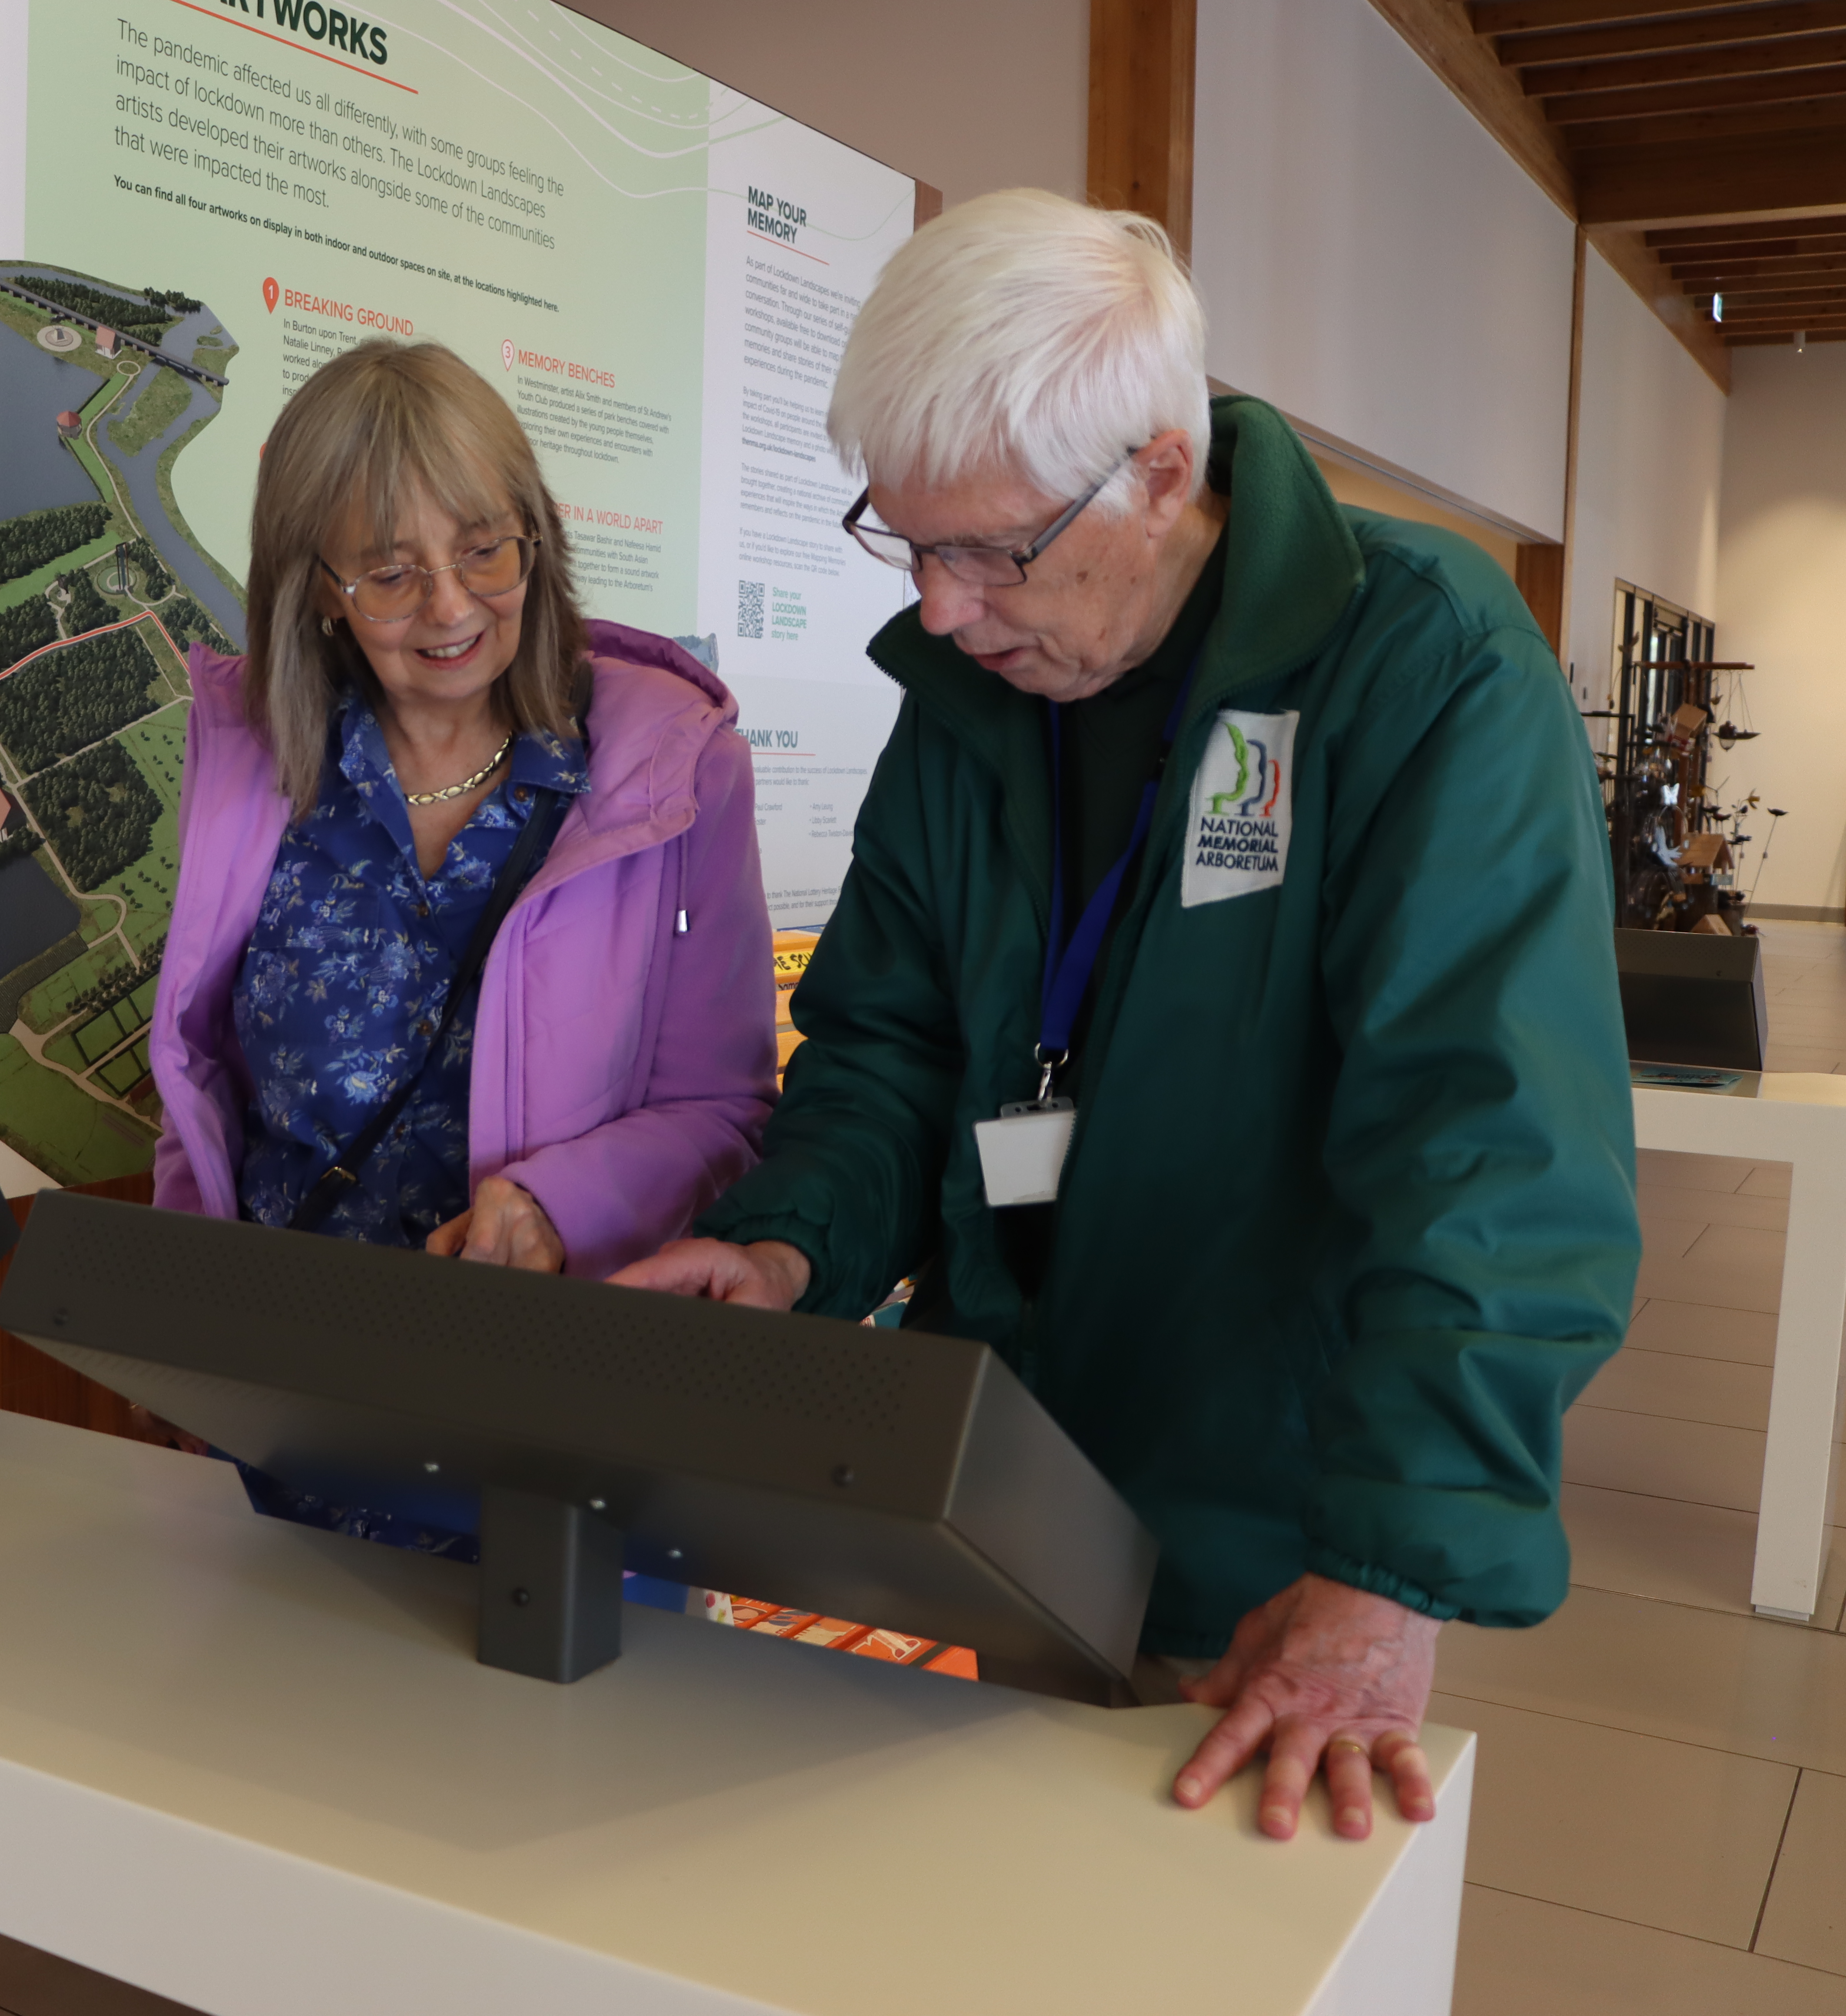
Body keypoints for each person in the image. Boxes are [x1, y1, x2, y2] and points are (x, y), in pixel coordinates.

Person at [616, 190, 1641, 1843]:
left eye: (991, 548)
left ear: (1161, 472)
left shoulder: (1422, 661)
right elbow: (889, 1047)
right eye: (906, 539)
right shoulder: (976, 701)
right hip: (995, 1463)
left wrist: (1384, 1574)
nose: (941, 608)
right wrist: (791, 1247)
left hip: (1268, 1507)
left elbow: (1493, 1153)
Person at [152, 335, 776, 1284]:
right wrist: (173, 1302)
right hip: (281, 1363)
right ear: (323, 587)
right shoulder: (252, 759)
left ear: (535, 538)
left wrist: (553, 1204)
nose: (452, 609)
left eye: (484, 551)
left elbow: (723, 1108)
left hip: (540, 1378)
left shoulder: (683, 775)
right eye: (393, 576)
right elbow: (199, 1084)